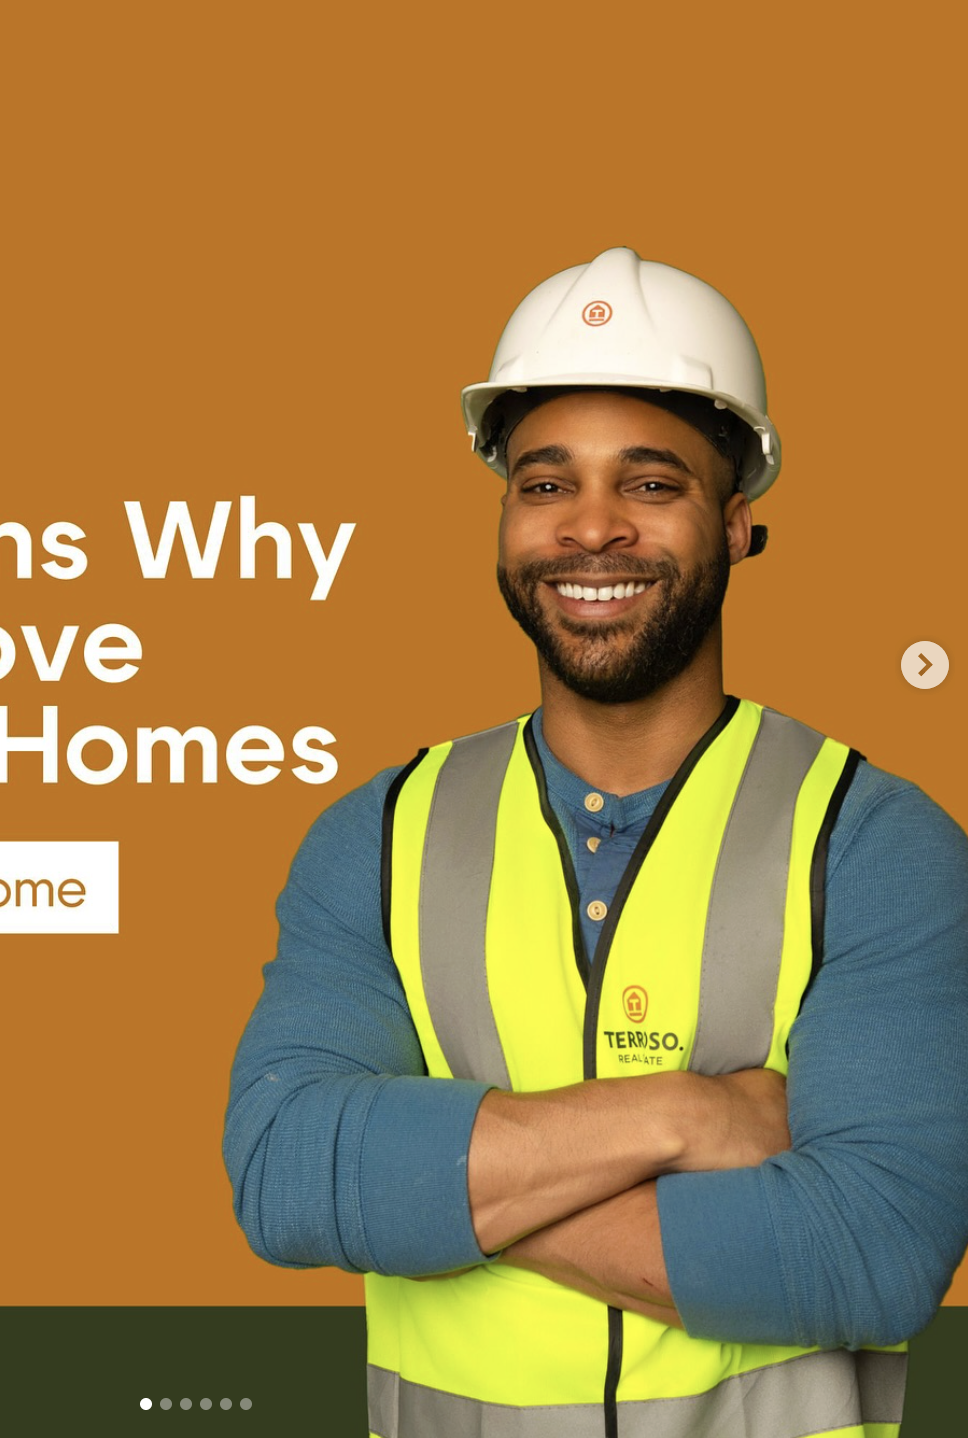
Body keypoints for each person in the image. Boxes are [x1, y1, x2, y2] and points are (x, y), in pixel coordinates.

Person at [223, 247, 968, 1437]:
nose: (593, 528)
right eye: (546, 484)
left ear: (736, 525)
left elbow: (870, 1247)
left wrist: (419, 1192)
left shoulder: (875, 843)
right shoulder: (376, 835)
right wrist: (689, 1114)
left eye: (652, 484)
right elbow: (283, 1170)